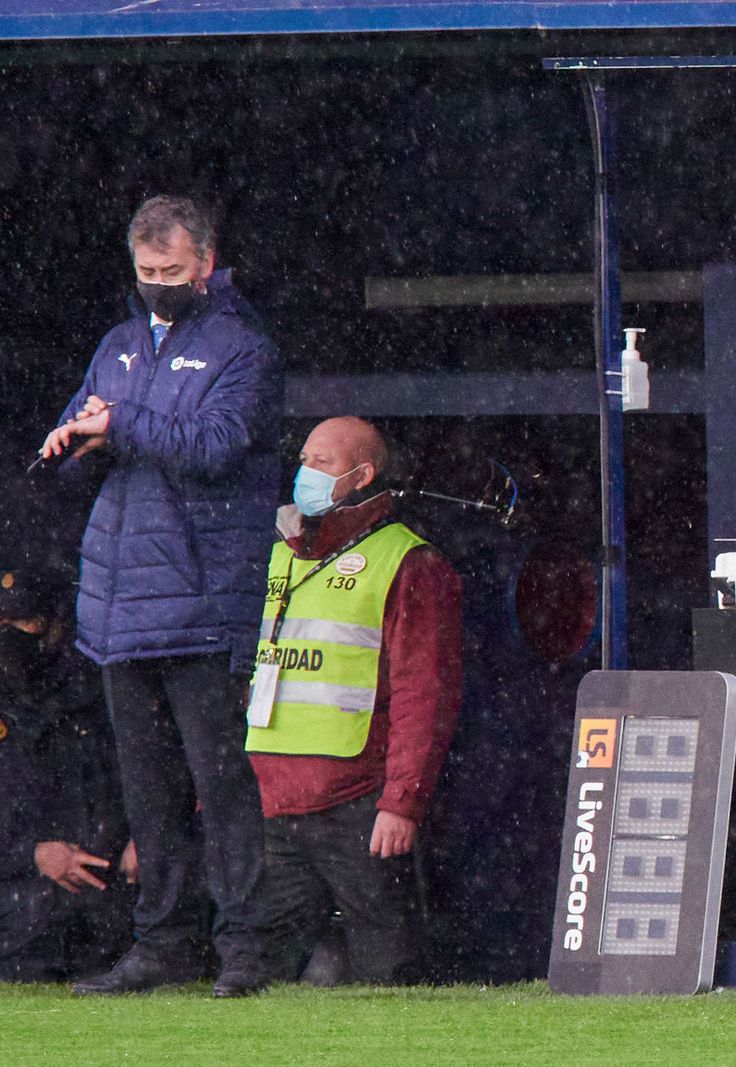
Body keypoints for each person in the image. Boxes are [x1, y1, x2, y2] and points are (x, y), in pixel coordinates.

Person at [38, 195, 283, 997]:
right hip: (118, 608)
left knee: (223, 788)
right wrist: (72, 442)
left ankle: (246, 948)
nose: (157, 285)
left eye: (171, 272)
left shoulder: (241, 347)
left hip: (204, 604)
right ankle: (164, 945)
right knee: (148, 795)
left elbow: (216, 447)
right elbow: (87, 449)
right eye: (146, 273)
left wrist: (122, 424)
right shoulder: (115, 345)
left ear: (205, 262)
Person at [247, 417, 462, 986]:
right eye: (304, 459)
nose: (304, 472)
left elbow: (426, 694)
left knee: (385, 971)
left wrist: (401, 803)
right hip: (272, 797)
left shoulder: (409, 560)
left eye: (322, 463)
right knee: (260, 980)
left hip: (356, 801)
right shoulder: (279, 550)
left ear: (362, 475)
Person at [0, 562, 135, 981]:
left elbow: (148, 780)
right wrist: (34, 855)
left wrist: (145, 838)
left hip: (107, 896)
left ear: (57, 624)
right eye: (4, 622)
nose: (13, 635)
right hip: (18, 902)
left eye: (27, 622)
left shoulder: (104, 697)